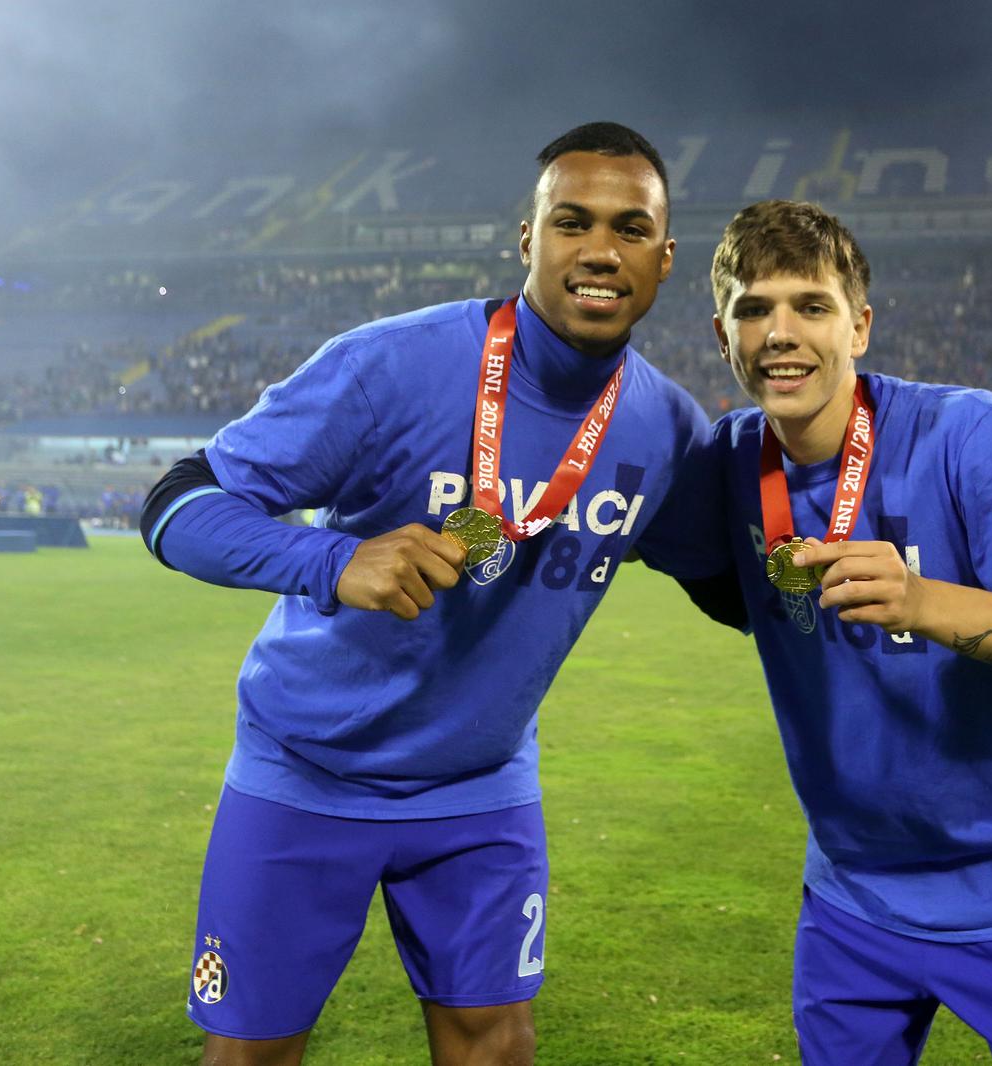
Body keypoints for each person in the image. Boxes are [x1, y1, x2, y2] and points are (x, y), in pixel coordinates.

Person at [139, 122, 721, 1066]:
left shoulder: (667, 427)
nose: (600, 251)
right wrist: (331, 563)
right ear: (528, 240)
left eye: (629, 228)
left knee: (495, 1045)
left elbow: (726, 582)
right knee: (252, 1052)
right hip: (308, 772)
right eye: (571, 223)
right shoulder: (393, 366)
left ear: (663, 258)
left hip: (480, 788)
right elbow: (177, 504)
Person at [699, 200, 992, 1065]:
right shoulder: (723, 465)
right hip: (854, 901)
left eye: (810, 307)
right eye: (754, 309)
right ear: (724, 334)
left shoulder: (967, 434)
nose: (780, 333)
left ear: (858, 325)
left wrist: (925, 601)